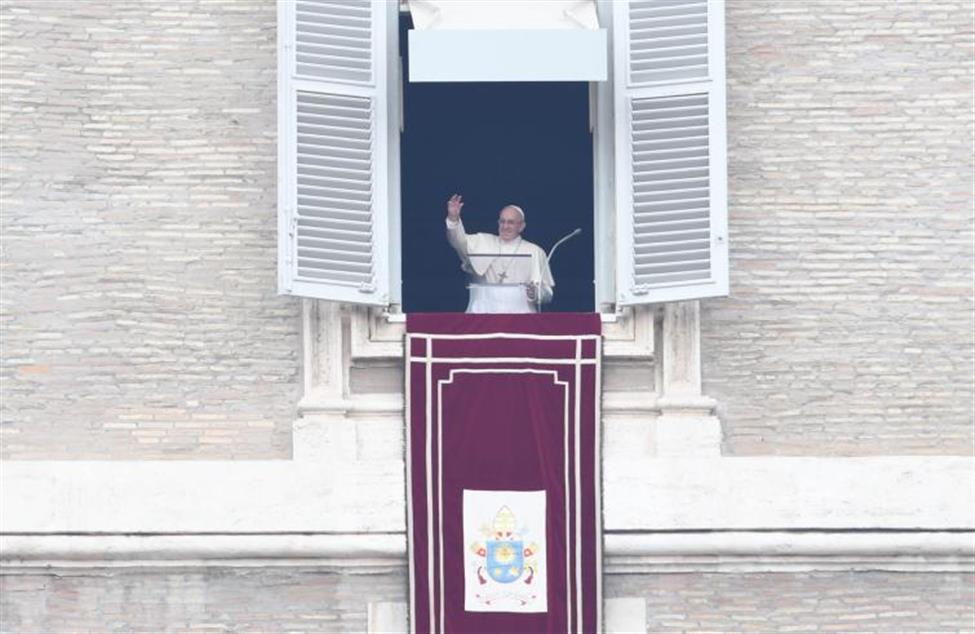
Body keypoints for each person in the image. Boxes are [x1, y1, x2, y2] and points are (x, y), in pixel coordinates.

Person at [445, 193, 554, 313]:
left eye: (511, 222)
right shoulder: (483, 241)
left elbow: (548, 293)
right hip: (484, 314)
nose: (505, 226)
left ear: (522, 226)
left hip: (521, 317)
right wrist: (453, 219)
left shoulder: (535, 251)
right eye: (502, 222)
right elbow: (458, 242)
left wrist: (536, 293)